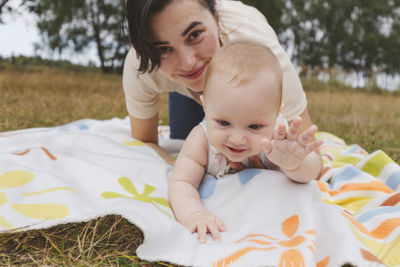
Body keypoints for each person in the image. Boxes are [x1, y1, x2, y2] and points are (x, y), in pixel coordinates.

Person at [123, 0, 314, 166]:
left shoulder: (261, 53)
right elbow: (145, 141)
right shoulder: (142, 64)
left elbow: (308, 151)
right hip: (184, 90)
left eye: (194, 35)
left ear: (217, 19)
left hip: (251, 82)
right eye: (164, 49)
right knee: (186, 139)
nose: (188, 62)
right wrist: (181, 170)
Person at [168, 40, 323, 243]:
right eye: (223, 122)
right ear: (205, 105)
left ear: (276, 115)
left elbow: (314, 172)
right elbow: (181, 181)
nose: (238, 139)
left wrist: (296, 165)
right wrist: (194, 214)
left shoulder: (278, 138)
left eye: (254, 127)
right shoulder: (201, 139)